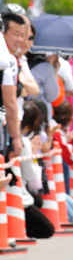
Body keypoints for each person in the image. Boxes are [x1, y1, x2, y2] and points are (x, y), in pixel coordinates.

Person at [1, 13, 27, 159]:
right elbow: (10, 103)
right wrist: (16, 137)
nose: (20, 40)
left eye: (22, 35)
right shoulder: (7, 60)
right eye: (15, 34)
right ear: (3, 32)